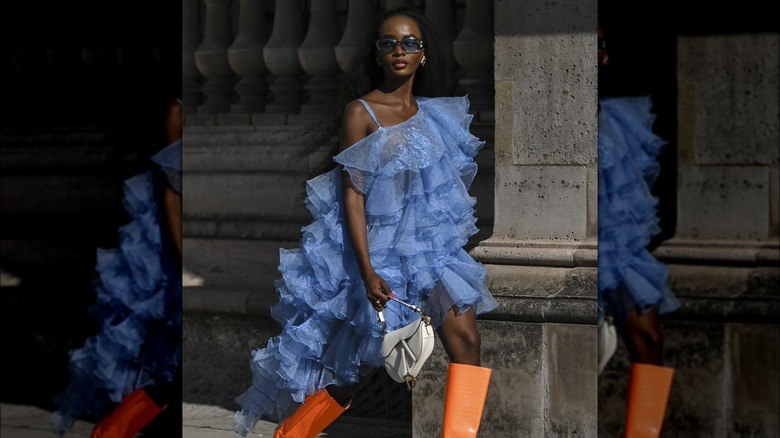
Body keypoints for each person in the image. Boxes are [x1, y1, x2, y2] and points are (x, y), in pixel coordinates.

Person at [233, 7, 499, 438]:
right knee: (354, 369)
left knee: (467, 341)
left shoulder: (436, 115)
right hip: (382, 255)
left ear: (423, 54)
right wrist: (366, 270)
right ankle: (291, 434)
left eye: (409, 42)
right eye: (388, 43)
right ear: (377, 54)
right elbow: (352, 198)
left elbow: (442, 194)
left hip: (434, 252)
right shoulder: (361, 112)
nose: (399, 50)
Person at [51, 98, 183, 438]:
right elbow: (172, 192)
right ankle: (109, 433)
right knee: (166, 366)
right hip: (171, 251)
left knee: (171, 367)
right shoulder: (176, 110)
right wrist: (181, 255)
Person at [597, 23, 680, 437]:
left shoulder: (618, 119)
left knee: (648, 337)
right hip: (576, 247)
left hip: (619, 250)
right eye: (593, 45)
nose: (602, 55)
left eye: (603, 44)